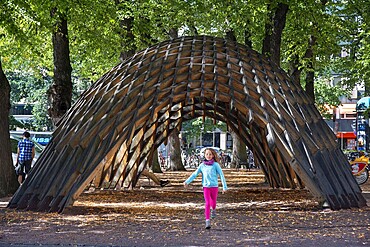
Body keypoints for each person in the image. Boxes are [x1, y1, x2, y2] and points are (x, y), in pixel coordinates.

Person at [183, 148, 228, 229]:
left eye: (210, 154)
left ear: (213, 155)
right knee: (207, 203)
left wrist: (224, 187)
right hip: (206, 187)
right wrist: (187, 181)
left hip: (214, 187)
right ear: (204, 155)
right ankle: (207, 221)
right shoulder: (202, 165)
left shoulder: (216, 165)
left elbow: (221, 175)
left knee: (213, 203)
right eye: (207, 154)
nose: (208, 156)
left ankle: (213, 210)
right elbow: (194, 174)